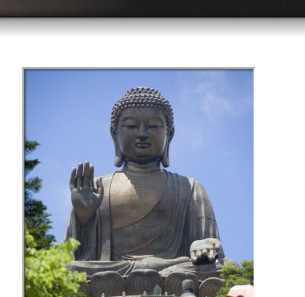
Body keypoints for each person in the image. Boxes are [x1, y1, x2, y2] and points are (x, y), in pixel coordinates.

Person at [64, 87, 228, 277]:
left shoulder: (189, 188)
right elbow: (70, 255)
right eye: (131, 126)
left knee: (226, 269)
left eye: (153, 126)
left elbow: (212, 252)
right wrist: (83, 218)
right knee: (65, 270)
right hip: (111, 273)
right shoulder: (96, 188)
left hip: (174, 270)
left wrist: (203, 247)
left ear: (169, 135)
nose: (142, 134)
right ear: (114, 134)